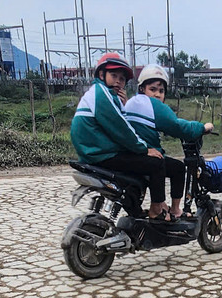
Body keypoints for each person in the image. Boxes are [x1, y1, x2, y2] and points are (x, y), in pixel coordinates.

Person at [70, 53, 170, 220]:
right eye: (113, 75)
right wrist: (144, 149)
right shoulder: (102, 95)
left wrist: (122, 104)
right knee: (157, 163)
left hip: (95, 151)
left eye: (122, 78)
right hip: (100, 153)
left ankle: (136, 214)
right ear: (102, 75)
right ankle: (157, 210)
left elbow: (118, 123)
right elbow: (121, 129)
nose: (118, 81)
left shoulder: (101, 94)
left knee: (136, 171)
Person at [124, 66, 214, 219]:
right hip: (144, 155)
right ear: (142, 89)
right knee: (178, 168)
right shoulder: (153, 106)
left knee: (166, 163)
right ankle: (171, 209)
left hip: (130, 153)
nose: (157, 94)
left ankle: (163, 207)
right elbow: (179, 127)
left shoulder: (132, 102)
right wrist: (203, 127)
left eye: (161, 91)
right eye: (152, 89)